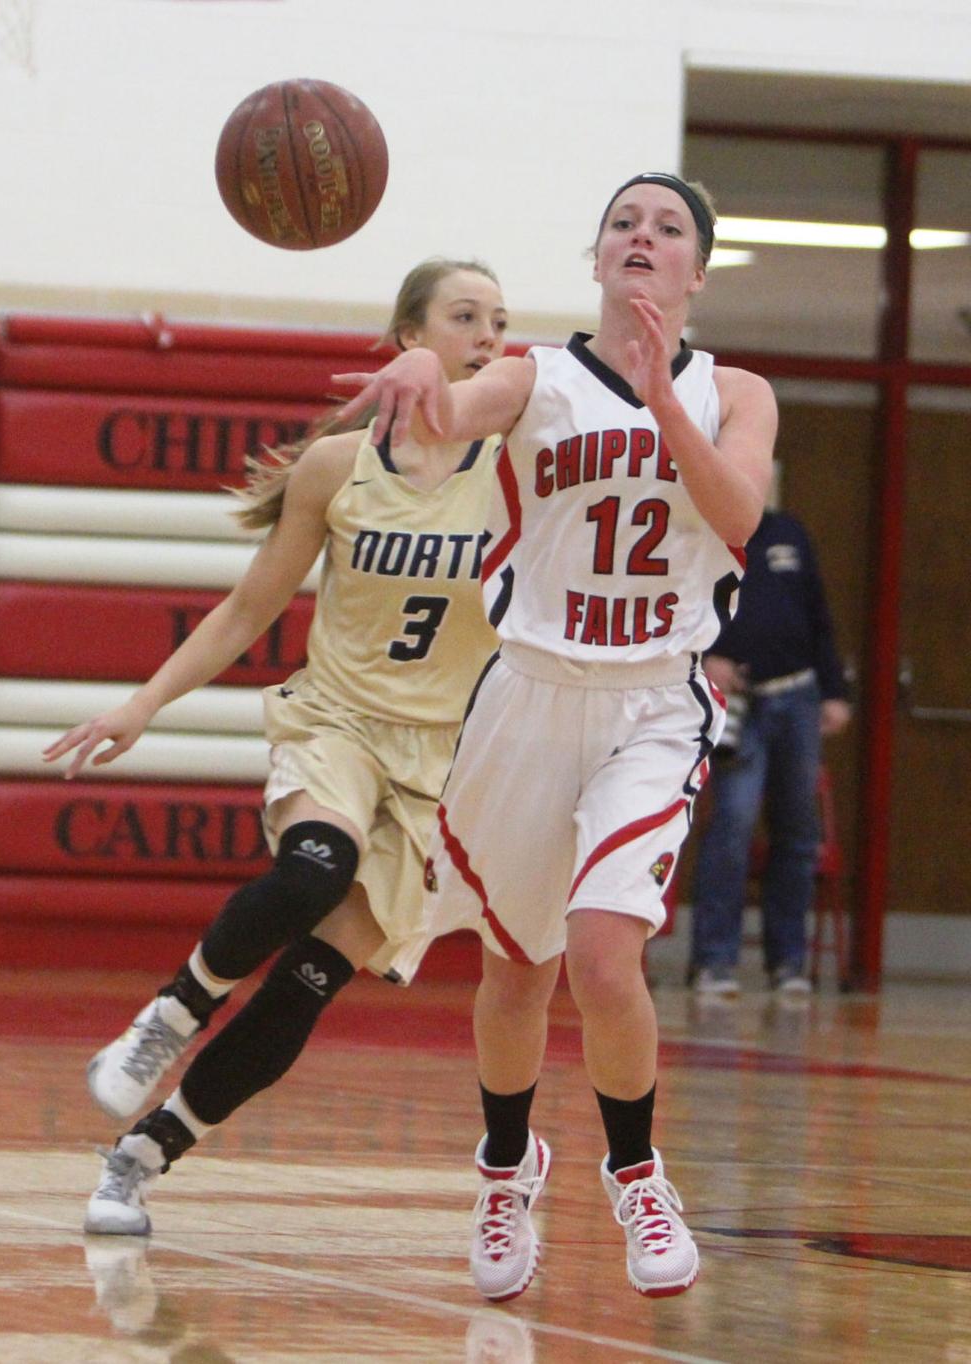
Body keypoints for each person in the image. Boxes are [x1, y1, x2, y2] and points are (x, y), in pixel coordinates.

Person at [333, 172, 776, 1301]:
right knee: (518, 967)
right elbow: (446, 412)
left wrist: (661, 399)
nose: (642, 236)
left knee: (601, 949)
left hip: (653, 698)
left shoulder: (738, 392)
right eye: (624, 223)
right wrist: (429, 365)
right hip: (528, 691)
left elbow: (737, 517)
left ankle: (634, 1167)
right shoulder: (535, 378)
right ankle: (503, 1165)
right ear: (595, 260)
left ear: (696, 269)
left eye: (668, 227)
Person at [41, 257, 510, 1236]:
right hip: (337, 721)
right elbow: (249, 608)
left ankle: (141, 1155)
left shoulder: (517, 467)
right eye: (464, 316)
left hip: (443, 764)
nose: (487, 336)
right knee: (310, 870)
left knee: (309, 980)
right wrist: (143, 703)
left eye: (498, 322)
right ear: (408, 338)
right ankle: (167, 1014)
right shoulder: (338, 467)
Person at [688, 500, 851, 998]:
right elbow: (683, 609)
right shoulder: (704, 529)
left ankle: (789, 963)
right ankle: (714, 962)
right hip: (740, 700)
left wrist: (835, 690)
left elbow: (817, 614)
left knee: (798, 833)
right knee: (732, 827)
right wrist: (703, 658)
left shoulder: (789, 532)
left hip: (797, 697)